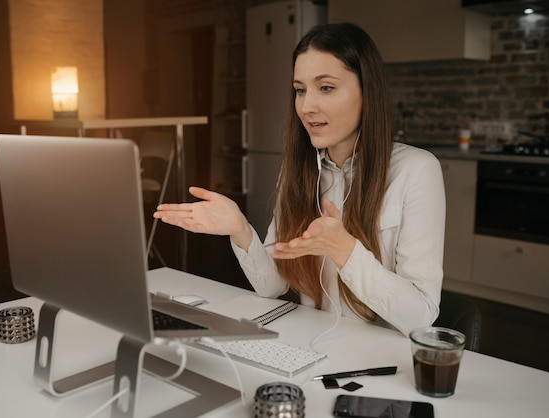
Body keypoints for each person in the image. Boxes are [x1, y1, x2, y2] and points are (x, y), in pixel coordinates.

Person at [154, 22, 446, 337]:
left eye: (326, 87)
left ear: (367, 91)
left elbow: (420, 317)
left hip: (380, 365)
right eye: (300, 90)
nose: (307, 107)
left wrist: (345, 249)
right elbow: (272, 285)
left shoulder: (416, 170)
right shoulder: (300, 168)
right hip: (310, 346)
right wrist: (240, 229)